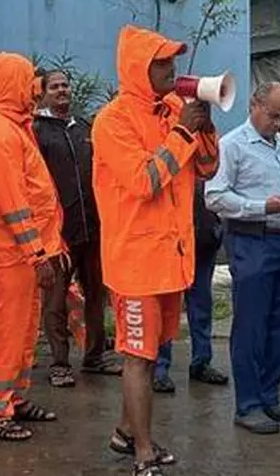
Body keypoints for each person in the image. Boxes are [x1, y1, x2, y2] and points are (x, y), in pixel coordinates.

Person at [92, 25, 219, 476]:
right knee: (140, 358)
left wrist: (204, 130)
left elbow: (206, 168)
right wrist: (183, 133)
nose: (172, 70)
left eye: (172, 61)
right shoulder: (112, 121)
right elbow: (145, 181)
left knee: (154, 348)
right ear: (137, 69)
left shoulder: (172, 109)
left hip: (172, 258)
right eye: (161, 63)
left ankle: (126, 431)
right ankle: (143, 451)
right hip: (135, 264)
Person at [0, 51, 65, 442]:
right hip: (14, 255)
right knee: (10, 331)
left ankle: (14, 398)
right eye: (30, 82)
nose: (36, 90)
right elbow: (14, 204)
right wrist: (36, 254)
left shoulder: (13, 127)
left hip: (25, 254)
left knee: (25, 330)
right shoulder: (0, 132)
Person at [206, 82, 280, 435]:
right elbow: (214, 197)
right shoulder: (232, 146)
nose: (277, 123)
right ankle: (247, 404)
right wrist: (261, 207)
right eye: (273, 115)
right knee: (251, 325)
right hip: (252, 241)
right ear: (255, 105)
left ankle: (269, 395)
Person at [33, 69, 123, 386]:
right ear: (43, 93)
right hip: (58, 234)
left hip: (93, 228)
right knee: (55, 301)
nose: (62, 90)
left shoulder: (85, 128)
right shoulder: (37, 132)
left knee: (96, 296)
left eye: (65, 85)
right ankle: (59, 362)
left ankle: (95, 356)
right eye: (55, 86)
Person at [153, 180, 230, 393]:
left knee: (201, 305)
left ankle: (201, 362)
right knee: (167, 308)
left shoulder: (206, 151)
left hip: (203, 238)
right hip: (169, 240)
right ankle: (160, 367)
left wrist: (216, 227)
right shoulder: (165, 151)